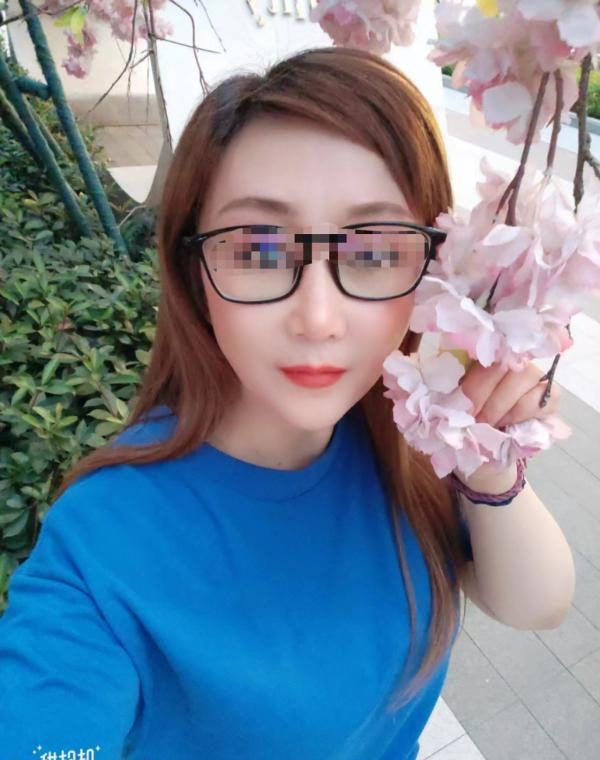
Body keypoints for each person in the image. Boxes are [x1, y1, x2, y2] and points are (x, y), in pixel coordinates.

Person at [0, 46, 575, 760]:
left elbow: (538, 604)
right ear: (194, 271)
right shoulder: (102, 544)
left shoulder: (406, 440)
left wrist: (487, 463)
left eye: (373, 251)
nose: (319, 319)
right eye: (259, 252)